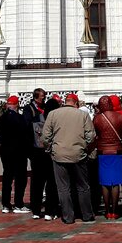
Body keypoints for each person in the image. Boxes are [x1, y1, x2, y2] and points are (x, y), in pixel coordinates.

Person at [41, 93, 96, 224]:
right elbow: (91, 135)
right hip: (78, 154)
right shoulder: (83, 115)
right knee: (83, 186)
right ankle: (87, 214)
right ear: (76, 103)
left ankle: (68, 216)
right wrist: (84, 146)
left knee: (63, 187)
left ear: (65, 102)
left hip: (59, 154)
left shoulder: (53, 114)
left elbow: (45, 137)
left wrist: (50, 149)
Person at [23, 88, 58, 220]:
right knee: (50, 183)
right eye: (42, 96)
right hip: (47, 153)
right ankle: (48, 211)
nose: (43, 98)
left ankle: (36, 210)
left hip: (37, 152)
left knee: (37, 182)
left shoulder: (38, 116)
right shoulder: (51, 118)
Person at [93, 95, 122, 220]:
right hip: (117, 151)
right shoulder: (119, 116)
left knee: (105, 183)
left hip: (103, 151)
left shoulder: (97, 118)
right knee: (115, 183)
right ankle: (115, 210)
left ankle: (107, 211)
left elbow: (94, 135)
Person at [0, 95, 31, 214]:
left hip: (5, 152)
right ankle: (18, 204)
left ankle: (6, 204)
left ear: (7, 105)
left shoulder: (1, 119)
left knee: (7, 177)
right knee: (20, 178)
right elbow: (25, 136)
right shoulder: (20, 119)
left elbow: (0, 137)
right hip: (19, 152)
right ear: (17, 105)